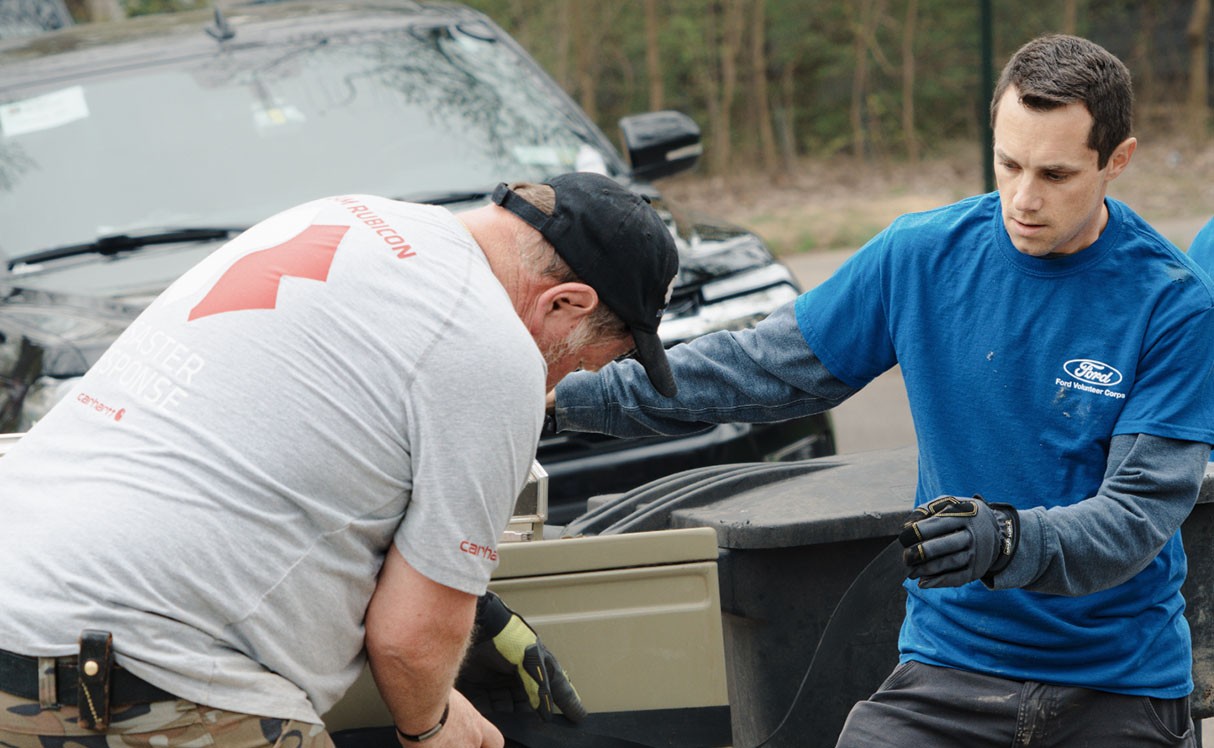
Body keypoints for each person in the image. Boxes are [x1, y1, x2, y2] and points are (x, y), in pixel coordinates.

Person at [549, 34, 1214, 747]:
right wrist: (566, 396)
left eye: (1055, 174)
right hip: (951, 669)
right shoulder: (922, 257)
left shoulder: (1171, 304)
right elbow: (756, 368)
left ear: (1118, 160)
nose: (1022, 198)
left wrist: (1008, 539)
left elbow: (1135, 520)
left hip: (1115, 684)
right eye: (1008, 163)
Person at [0, 172, 679, 748]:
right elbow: (409, 640)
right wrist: (432, 725)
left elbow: (285, 450)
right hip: (135, 666)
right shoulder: (491, 350)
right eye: (589, 358)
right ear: (566, 303)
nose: (556, 386)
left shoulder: (347, 217)